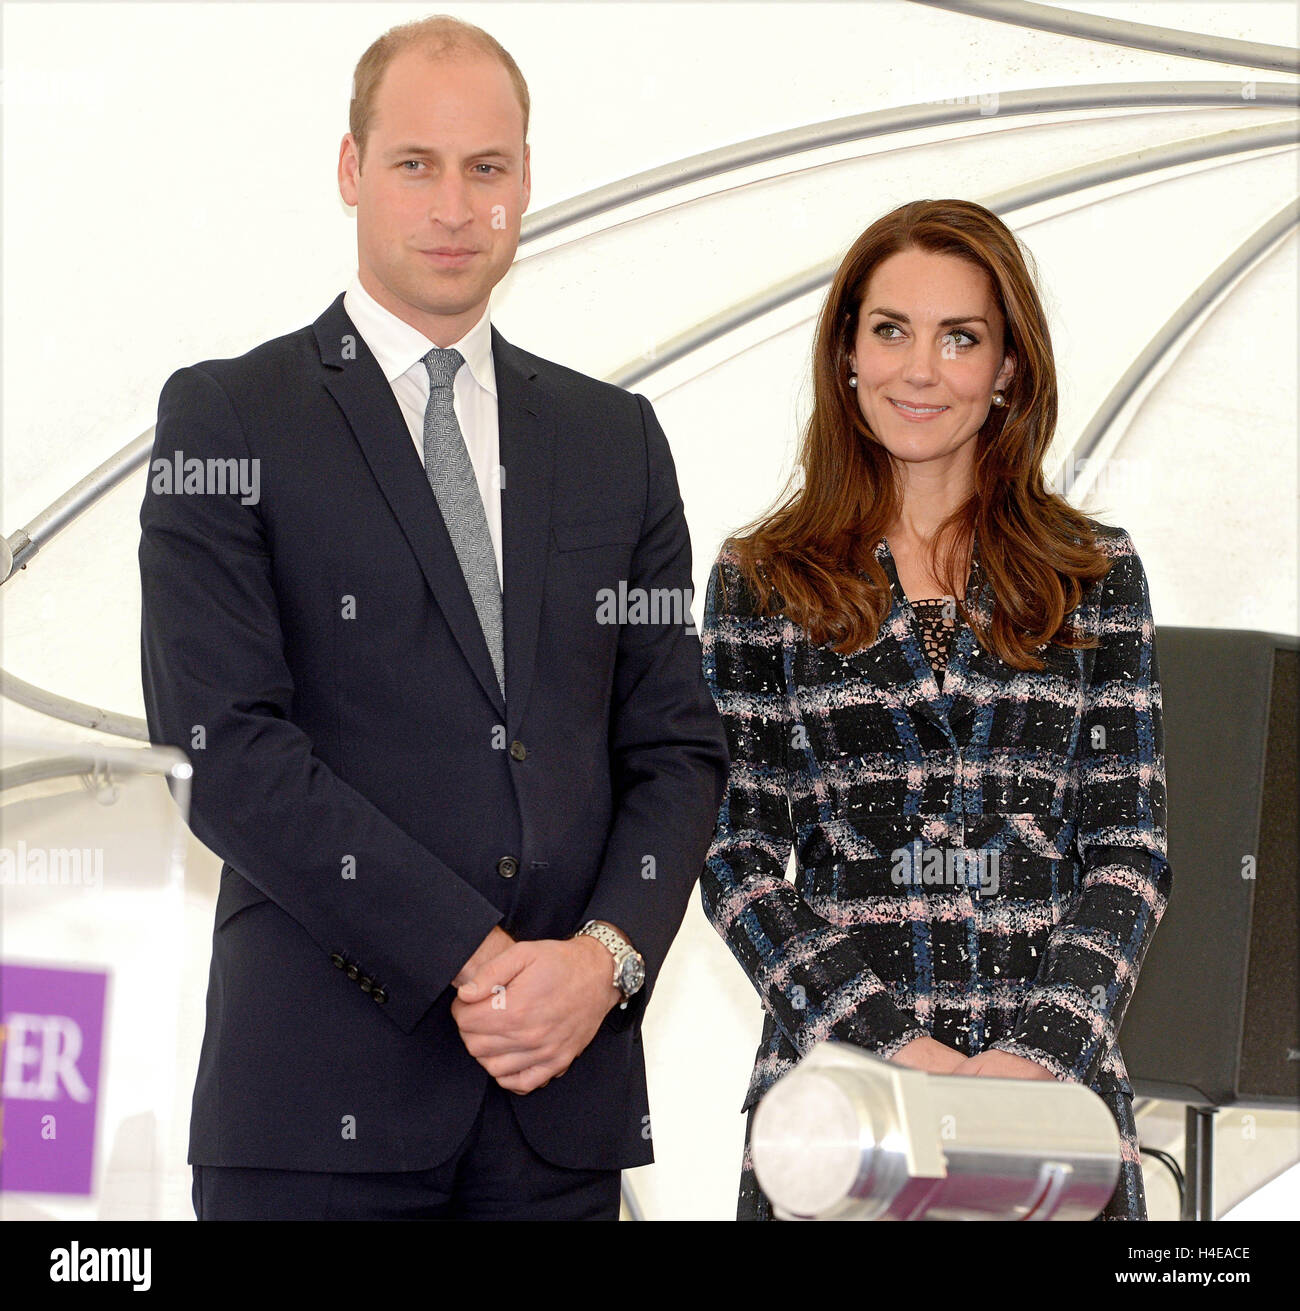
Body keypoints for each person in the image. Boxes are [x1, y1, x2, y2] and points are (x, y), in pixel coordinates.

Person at [139, 14, 728, 1221]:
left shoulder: (615, 440)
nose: (455, 206)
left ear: (525, 180)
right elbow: (221, 751)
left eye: (487, 168)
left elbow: (677, 747)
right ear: (351, 170)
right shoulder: (229, 420)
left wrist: (601, 965)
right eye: (416, 164)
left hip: (559, 1122)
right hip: (313, 1123)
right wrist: (473, 957)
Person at [699, 198, 1170, 1221]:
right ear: (847, 356)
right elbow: (735, 858)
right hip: (841, 1110)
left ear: (1007, 369)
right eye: (890, 331)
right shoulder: (761, 579)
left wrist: (1030, 1060)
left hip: (1049, 1112)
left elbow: (1130, 851)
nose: (920, 371)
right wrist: (890, 1050)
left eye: (960, 338)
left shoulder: (1094, 573)